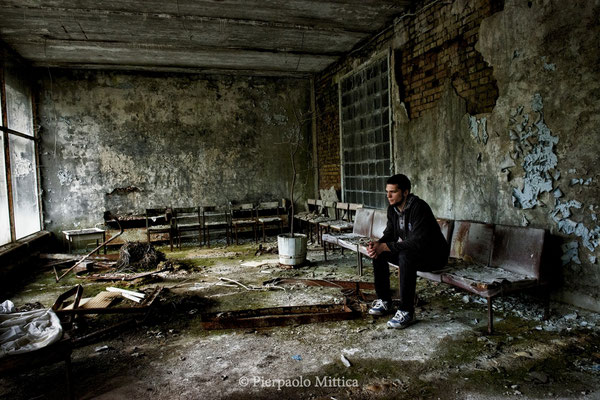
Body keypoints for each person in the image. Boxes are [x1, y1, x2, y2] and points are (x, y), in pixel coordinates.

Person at [366, 174, 449, 329]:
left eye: (393, 192)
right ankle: (385, 301)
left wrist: (385, 246)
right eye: (387, 192)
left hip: (434, 257)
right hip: (413, 254)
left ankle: (406, 311)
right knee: (380, 253)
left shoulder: (419, 207)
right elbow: (390, 234)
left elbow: (416, 242)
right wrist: (377, 245)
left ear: (405, 192)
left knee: (405, 255)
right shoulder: (392, 209)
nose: (388, 196)